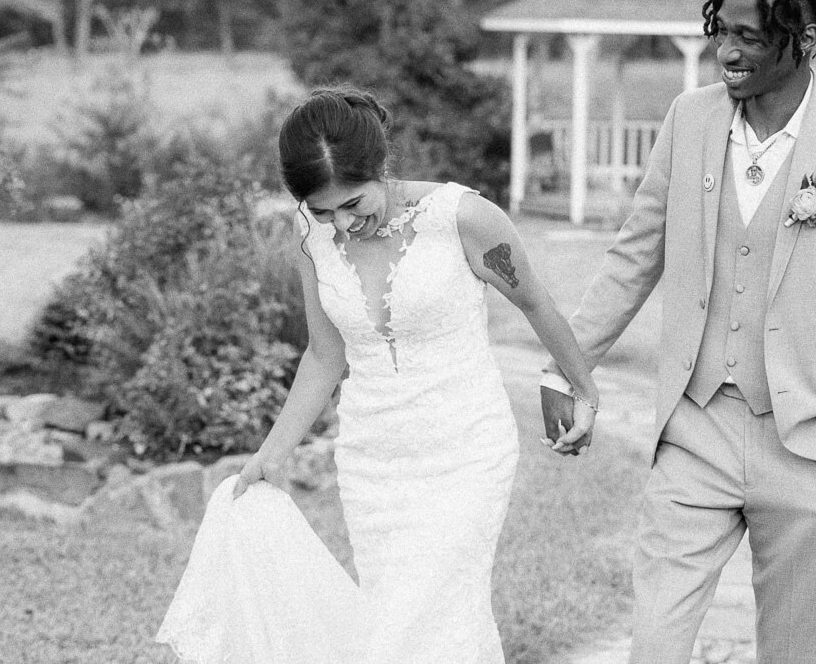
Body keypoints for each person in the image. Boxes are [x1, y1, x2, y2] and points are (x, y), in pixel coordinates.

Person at [541, 0, 816, 663]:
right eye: (723, 29)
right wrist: (565, 367)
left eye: (750, 35)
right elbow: (633, 255)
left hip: (809, 446)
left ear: (805, 41)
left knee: (794, 655)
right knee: (653, 645)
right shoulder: (690, 119)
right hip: (695, 429)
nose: (727, 49)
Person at [156, 86, 599, 663]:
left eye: (354, 204)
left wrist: (584, 388)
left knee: (427, 613)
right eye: (322, 210)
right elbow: (324, 355)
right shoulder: (309, 235)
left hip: (465, 452)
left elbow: (538, 304)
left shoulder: (463, 218)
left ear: (382, 169)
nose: (341, 225)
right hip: (373, 464)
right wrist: (270, 454)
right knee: (404, 616)